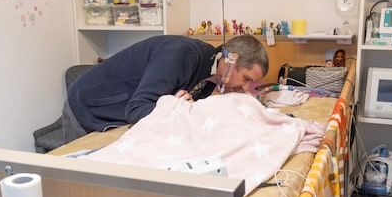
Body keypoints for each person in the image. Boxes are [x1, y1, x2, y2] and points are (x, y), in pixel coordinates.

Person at [62, 34, 269, 142]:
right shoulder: (182, 56)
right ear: (232, 60)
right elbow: (137, 109)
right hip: (87, 106)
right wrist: (176, 107)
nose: (244, 88)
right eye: (245, 79)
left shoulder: (210, 75)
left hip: (116, 116)